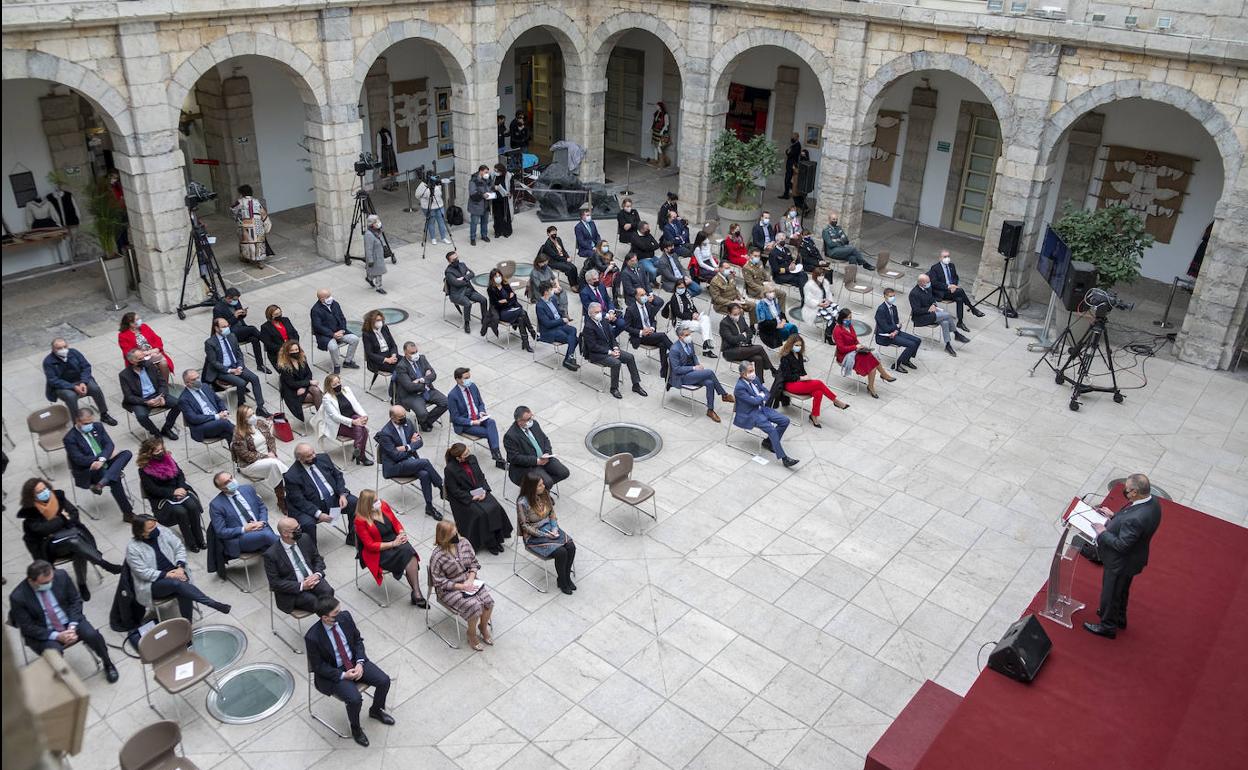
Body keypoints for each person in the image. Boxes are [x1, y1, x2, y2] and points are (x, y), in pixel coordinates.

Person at [304, 595, 394, 747]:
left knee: (384, 681)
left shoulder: (345, 617)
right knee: (354, 699)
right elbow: (318, 666)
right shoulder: (312, 637)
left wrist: (359, 662)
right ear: (325, 618)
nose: (340, 613)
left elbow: (358, 640)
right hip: (335, 671)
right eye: (335, 613)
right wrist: (343, 675)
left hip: (354, 661)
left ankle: (376, 710)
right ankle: (356, 728)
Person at [10, 561, 119, 683]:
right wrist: (57, 636)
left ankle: (108, 663)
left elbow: (75, 600)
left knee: (93, 635)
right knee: (54, 653)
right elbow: (28, 627)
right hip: (44, 631)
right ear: (31, 581)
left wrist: (72, 626)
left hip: (69, 621)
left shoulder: (60, 576)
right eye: (45, 583)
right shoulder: (18, 597)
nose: (50, 584)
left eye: (51, 579)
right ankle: (61, 678)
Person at [1084, 474, 1163, 639]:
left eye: (1127, 488)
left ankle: (1107, 626)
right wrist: (1113, 517)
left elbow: (1121, 545)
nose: (1124, 491)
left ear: (1134, 492)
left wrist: (1103, 532)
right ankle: (1119, 617)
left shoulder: (1137, 519)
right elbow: (1130, 524)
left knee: (1110, 593)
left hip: (1120, 563)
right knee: (1121, 591)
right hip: (1133, 560)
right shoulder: (1153, 503)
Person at [18, 478, 123, 599]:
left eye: (45, 489)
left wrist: (55, 524)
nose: (44, 492)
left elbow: (73, 513)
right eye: (39, 492)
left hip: (72, 536)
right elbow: (42, 530)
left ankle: (82, 583)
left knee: (77, 548)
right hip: (52, 546)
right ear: (32, 496)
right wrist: (63, 519)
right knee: (75, 541)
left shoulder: (58, 497)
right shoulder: (30, 514)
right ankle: (103, 564)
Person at [126, 514, 232, 621]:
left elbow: (179, 548)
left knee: (182, 588)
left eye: (155, 525)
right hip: (153, 583)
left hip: (176, 572)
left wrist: (180, 567)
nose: (156, 528)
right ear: (141, 532)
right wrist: (168, 575)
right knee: (178, 583)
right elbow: (143, 573)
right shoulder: (133, 548)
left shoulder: (163, 532)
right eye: (151, 528)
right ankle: (211, 603)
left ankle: (187, 623)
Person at [354, 489, 427, 608]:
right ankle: (417, 593)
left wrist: (401, 533)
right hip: (378, 551)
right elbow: (370, 545)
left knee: (410, 553)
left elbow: (395, 522)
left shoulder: (383, 506)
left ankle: (416, 592)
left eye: (378, 499)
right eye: (375, 501)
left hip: (394, 539)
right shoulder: (360, 521)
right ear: (367, 505)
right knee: (407, 553)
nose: (379, 502)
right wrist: (393, 544)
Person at [429, 520, 495, 650]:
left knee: (488, 602)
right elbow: (438, 581)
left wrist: (470, 579)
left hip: (469, 580)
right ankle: (471, 634)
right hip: (449, 590)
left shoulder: (464, 543)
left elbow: (474, 563)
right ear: (444, 537)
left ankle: (482, 627)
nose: (456, 536)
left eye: (456, 532)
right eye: (453, 534)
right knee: (475, 606)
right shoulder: (437, 556)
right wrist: (461, 587)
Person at [64, 407, 136, 521]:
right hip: (89, 469)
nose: (90, 425)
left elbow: (109, 445)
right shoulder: (70, 438)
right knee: (115, 479)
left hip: (103, 461)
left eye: (91, 421)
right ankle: (128, 514)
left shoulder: (97, 426)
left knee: (127, 453)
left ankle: (102, 483)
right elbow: (79, 459)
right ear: (77, 421)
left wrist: (102, 459)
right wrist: (99, 459)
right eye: (86, 423)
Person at [136, 437, 206, 552]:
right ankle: (191, 542)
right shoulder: (144, 469)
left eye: (161, 449)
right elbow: (152, 489)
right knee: (181, 512)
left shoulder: (168, 458)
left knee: (192, 506)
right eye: (157, 451)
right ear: (149, 453)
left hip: (179, 490)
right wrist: (172, 492)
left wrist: (181, 487)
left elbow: (180, 475)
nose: (161, 453)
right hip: (162, 498)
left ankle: (200, 539)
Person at [376, 405, 444, 520]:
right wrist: (411, 446)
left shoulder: (407, 422)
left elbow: (420, 442)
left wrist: (406, 447)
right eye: (400, 417)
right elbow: (396, 456)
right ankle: (441, 486)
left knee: (425, 474)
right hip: (394, 466)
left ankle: (429, 506)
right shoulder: (385, 433)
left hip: (408, 461)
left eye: (404, 415)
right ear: (392, 417)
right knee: (425, 462)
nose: (404, 418)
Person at [443, 443, 512, 555]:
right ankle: (490, 542)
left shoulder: (472, 459)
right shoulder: (450, 469)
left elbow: (480, 476)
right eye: (465, 454)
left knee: (495, 507)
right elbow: (454, 491)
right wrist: (471, 497)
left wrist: (484, 490)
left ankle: (497, 537)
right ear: (458, 458)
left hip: (479, 491)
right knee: (481, 514)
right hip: (464, 498)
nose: (469, 454)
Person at [516, 473, 578, 594]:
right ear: (532, 487)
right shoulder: (522, 502)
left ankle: (564, 577)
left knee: (571, 546)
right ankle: (563, 581)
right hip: (534, 535)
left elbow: (552, 513)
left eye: (542, 483)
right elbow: (525, 526)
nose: (543, 486)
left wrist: (555, 528)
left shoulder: (544, 494)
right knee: (561, 552)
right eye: (540, 485)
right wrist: (544, 535)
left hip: (550, 528)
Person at [284, 443, 357, 544]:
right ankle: (313, 555)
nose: (314, 456)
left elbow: (338, 475)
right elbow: (299, 500)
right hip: (312, 505)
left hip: (334, 498)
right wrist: (318, 514)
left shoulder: (323, 458)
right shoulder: (291, 476)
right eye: (309, 456)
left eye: (313, 452)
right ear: (299, 459)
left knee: (355, 503)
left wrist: (342, 494)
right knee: (307, 524)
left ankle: (353, 538)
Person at [772, 334, 849, 427]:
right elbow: (786, 376)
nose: (798, 347)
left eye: (800, 345)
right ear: (791, 345)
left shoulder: (799, 355)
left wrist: (806, 376)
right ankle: (836, 401)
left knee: (818, 392)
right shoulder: (785, 357)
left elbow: (802, 370)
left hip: (800, 383)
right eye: (796, 345)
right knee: (819, 383)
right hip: (790, 384)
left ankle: (814, 416)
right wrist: (801, 378)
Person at [732, 362, 799, 468]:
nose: (753, 373)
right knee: (771, 429)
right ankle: (784, 458)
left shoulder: (755, 379)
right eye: (750, 371)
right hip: (751, 414)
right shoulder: (740, 388)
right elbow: (753, 402)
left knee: (785, 421)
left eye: (752, 370)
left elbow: (767, 392)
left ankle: (769, 442)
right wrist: (760, 397)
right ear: (743, 374)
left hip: (763, 409)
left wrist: (760, 397)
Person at [264, 516, 334, 613]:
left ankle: (330, 621)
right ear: (285, 533)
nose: (299, 530)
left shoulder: (305, 538)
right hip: (293, 589)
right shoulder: (271, 555)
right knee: (314, 602)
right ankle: (331, 622)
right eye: (295, 529)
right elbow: (275, 583)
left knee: (328, 591)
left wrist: (317, 574)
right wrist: (301, 585)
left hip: (313, 579)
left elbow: (317, 558)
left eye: (299, 527)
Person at [205, 315, 271, 417]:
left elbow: (239, 353)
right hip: (223, 371)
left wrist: (240, 366)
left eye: (227, 326)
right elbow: (214, 362)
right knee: (241, 383)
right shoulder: (210, 343)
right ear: (216, 328)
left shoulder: (232, 336)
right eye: (223, 326)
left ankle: (260, 407)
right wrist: (231, 370)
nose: (227, 328)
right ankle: (241, 405)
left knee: (255, 378)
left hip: (237, 365)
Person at [668, 323, 735, 422]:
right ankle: (724, 395)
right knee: (710, 372)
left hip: (693, 373)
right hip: (682, 377)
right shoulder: (674, 349)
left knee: (710, 382)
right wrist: (695, 368)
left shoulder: (690, 343)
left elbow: (693, 356)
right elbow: (677, 369)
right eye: (686, 335)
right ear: (680, 336)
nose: (689, 336)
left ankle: (710, 410)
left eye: (689, 334)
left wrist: (698, 366)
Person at [209, 470, 279, 560]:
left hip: (260, 526)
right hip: (241, 538)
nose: (231, 482)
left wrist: (262, 522)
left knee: (273, 550)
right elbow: (221, 531)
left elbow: (261, 507)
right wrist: (244, 529)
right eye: (227, 482)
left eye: (231, 478)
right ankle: (292, 546)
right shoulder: (216, 505)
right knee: (267, 536)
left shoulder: (248, 489)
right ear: (221, 488)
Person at [43, 339, 116, 426]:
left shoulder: (74, 353)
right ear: (53, 349)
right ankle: (77, 422)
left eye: (65, 347)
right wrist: (73, 387)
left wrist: (83, 382)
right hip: (63, 386)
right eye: (59, 348)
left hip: (80, 380)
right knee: (71, 396)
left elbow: (86, 367)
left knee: (95, 389)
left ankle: (104, 414)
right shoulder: (48, 362)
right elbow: (53, 380)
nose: (63, 349)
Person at [583, 302, 647, 400]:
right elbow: (593, 347)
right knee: (616, 363)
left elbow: (611, 336)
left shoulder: (603, 321)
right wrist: (610, 352)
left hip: (610, 349)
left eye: (600, 311)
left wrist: (615, 347)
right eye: (596, 312)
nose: (599, 314)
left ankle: (636, 385)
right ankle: (614, 388)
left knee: (630, 357)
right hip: (597, 354)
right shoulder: (588, 327)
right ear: (590, 313)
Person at [448, 367, 506, 468]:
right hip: (466, 423)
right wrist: (472, 422)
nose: (468, 380)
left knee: (491, 422)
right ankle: (498, 458)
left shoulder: (473, 386)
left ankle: (497, 455)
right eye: (465, 378)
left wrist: (482, 412)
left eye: (469, 377)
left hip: (479, 417)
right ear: (457, 379)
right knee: (490, 433)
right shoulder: (452, 395)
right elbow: (455, 418)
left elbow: (480, 403)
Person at [118, 349, 182, 440]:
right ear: (132, 361)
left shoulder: (149, 365)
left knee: (179, 404)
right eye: (140, 359)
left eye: (143, 357)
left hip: (157, 394)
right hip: (141, 400)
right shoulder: (124, 375)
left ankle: (167, 429)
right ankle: (155, 432)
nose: (143, 360)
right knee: (141, 416)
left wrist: (162, 396)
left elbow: (162, 382)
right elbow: (129, 397)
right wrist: (146, 402)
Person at [832, 308, 896, 398]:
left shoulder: (849, 326)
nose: (850, 320)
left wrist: (859, 345)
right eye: (848, 318)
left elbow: (855, 339)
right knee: (872, 361)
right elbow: (841, 348)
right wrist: (855, 347)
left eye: (851, 317)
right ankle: (878, 380)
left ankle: (874, 383)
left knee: (871, 357)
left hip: (855, 350)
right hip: (844, 355)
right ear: (842, 318)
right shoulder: (837, 331)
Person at [230, 403, 289, 499]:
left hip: (269, 458)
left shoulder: (260, 423)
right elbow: (246, 455)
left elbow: (270, 439)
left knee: (274, 466)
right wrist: (266, 456)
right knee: (274, 464)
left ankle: (281, 499)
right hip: (250, 464)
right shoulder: (238, 434)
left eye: (253, 413)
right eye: (250, 416)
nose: (254, 417)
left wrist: (272, 452)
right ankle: (289, 485)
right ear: (243, 419)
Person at [504, 406, 570, 489]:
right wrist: (536, 461)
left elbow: (545, 439)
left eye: (531, 416)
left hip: (545, 459)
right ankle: (539, 492)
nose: (531, 420)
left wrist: (547, 452)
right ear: (519, 421)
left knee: (564, 472)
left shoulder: (534, 424)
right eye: (528, 419)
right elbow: (514, 458)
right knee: (547, 482)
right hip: (528, 466)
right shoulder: (510, 436)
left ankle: (539, 491)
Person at [391, 341, 449, 431]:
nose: (415, 354)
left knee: (446, 402)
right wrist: (426, 378)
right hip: (411, 395)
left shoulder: (422, 358)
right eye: (412, 353)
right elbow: (409, 387)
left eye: (416, 351)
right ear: (405, 353)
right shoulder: (401, 366)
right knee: (422, 413)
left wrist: (420, 380)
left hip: (427, 390)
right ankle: (424, 420)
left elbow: (433, 375)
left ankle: (425, 421)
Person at [213, 286, 271, 373]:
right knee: (252, 329)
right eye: (235, 299)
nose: (236, 301)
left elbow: (240, 317)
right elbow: (221, 326)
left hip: (241, 328)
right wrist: (234, 316)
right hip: (231, 332)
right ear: (228, 298)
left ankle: (260, 365)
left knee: (255, 339)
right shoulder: (218, 308)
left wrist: (243, 314)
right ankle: (269, 344)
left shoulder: (236, 302)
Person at [319, 372, 372, 466]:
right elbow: (335, 416)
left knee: (359, 424)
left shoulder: (346, 390)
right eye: (334, 384)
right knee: (364, 431)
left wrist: (364, 415)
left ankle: (358, 449)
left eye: (338, 382)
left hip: (352, 417)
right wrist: (352, 422)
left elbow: (356, 404)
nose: (338, 385)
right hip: (339, 424)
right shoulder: (327, 398)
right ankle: (361, 455)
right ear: (329, 386)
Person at [910, 274, 969, 356]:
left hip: (932, 313)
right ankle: (956, 334)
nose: (929, 283)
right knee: (947, 315)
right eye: (927, 282)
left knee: (945, 322)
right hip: (921, 317)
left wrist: (934, 305)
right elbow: (916, 310)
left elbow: (932, 299)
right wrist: (928, 309)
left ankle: (948, 345)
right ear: (921, 283)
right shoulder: (914, 293)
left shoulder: (928, 288)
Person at [720, 302, 776, 384]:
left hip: (743, 347)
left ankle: (758, 383)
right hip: (730, 351)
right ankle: (772, 369)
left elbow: (749, 332)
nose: (737, 316)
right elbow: (731, 339)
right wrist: (743, 336)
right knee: (759, 348)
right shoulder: (724, 324)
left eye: (738, 313)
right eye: (735, 314)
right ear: (729, 313)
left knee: (758, 359)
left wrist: (744, 338)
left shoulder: (741, 318)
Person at [929, 249, 985, 329]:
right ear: (940, 258)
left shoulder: (952, 266)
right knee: (961, 291)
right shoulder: (935, 268)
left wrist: (953, 286)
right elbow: (934, 283)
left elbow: (956, 277)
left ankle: (960, 322)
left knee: (959, 298)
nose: (947, 258)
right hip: (942, 292)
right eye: (945, 257)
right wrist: (948, 287)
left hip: (953, 290)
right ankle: (972, 308)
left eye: (948, 256)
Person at [624, 286, 672, 379]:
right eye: (642, 295)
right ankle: (676, 351)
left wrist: (652, 328)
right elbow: (626, 327)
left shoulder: (647, 305)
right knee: (662, 336)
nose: (645, 296)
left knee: (662, 344)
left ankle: (664, 371)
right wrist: (641, 332)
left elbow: (653, 320)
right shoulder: (630, 310)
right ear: (636, 297)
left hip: (651, 333)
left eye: (645, 294)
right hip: (640, 336)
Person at [662, 277, 717, 358]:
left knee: (706, 319)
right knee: (703, 326)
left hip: (691, 318)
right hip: (681, 322)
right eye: (679, 288)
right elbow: (678, 314)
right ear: (676, 288)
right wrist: (691, 316)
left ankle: (706, 342)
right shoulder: (674, 298)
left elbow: (692, 306)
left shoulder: (687, 294)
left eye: (683, 287)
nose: (681, 289)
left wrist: (695, 313)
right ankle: (707, 348)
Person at [311, 289, 361, 373]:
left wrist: (342, 330)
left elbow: (342, 318)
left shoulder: (335, 303)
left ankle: (348, 361)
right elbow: (318, 326)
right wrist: (332, 334)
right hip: (325, 335)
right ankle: (336, 365)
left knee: (355, 339)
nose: (330, 298)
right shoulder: (315, 310)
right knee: (333, 347)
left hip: (340, 331)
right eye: (328, 297)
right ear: (321, 299)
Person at [534, 282, 581, 372]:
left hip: (559, 325)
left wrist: (564, 318)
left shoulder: (553, 299)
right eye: (551, 290)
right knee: (574, 339)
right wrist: (561, 320)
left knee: (573, 330)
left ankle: (568, 359)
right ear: (546, 292)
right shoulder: (540, 306)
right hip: (548, 331)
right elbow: (547, 324)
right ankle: (568, 359)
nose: (553, 291)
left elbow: (559, 312)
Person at [177, 368, 234, 441]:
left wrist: (224, 411)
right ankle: (245, 436)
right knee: (226, 424)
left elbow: (218, 401)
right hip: (202, 426)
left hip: (219, 420)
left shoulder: (205, 386)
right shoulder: (183, 399)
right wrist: (217, 416)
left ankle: (239, 451)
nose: (197, 380)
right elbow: (194, 419)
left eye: (198, 377)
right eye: (194, 380)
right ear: (187, 383)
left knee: (229, 434)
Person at [486, 267, 535, 351]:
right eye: (496, 276)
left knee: (521, 317)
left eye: (499, 276)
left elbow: (514, 298)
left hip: (511, 309)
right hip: (502, 313)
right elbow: (497, 304)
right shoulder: (491, 289)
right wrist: (509, 299)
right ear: (492, 278)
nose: (498, 278)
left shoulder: (505, 285)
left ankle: (526, 343)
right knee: (522, 312)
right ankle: (532, 333)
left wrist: (506, 301)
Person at [875, 288, 922, 373]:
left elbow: (897, 323)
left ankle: (906, 359)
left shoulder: (894, 307)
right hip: (885, 336)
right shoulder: (881, 310)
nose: (892, 298)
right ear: (885, 296)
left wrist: (896, 330)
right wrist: (896, 327)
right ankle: (897, 365)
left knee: (917, 340)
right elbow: (885, 328)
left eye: (893, 296)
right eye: (890, 296)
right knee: (911, 344)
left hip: (895, 333)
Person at [276, 340, 323, 422]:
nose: (295, 352)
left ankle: (322, 418)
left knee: (316, 391)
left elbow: (309, 374)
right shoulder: (283, 366)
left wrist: (304, 387)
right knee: (318, 396)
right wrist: (308, 383)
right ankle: (323, 420)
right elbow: (291, 383)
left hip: (303, 388)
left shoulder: (302, 358)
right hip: (292, 393)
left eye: (296, 349)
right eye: (292, 350)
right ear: (287, 352)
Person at [444, 250, 488, 336]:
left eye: (457, 258)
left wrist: (463, 278)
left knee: (483, 300)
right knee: (467, 304)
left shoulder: (462, 265)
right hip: (457, 294)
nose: (456, 260)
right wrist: (466, 279)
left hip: (468, 290)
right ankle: (467, 323)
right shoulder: (449, 272)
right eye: (454, 259)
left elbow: (472, 274)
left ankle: (484, 319)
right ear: (449, 261)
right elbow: (456, 283)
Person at [117, 311, 174, 377]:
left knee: (164, 364)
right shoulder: (123, 336)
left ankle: (164, 385)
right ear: (131, 323)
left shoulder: (144, 326)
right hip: (140, 359)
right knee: (153, 367)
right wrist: (145, 354)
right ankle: (154, 385)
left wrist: (157, 349)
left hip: (154, 353)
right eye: (137, 319)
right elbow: (128, 352)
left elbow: (156, 338)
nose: (140, 320)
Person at [231, 184, 270, 265]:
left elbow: (233, 211)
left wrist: (238, 219)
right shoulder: (257, 201)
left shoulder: (239, 202)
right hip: (258, 224)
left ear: (241, 193)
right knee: (259, 241)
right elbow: (263, 213)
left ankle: (245, 257)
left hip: (245, 225)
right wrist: (266, 224)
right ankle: (260, 260)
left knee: (245, 242)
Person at [362, 308, 400, 384]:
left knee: (406, 363)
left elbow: (393, 345)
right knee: (400, 369)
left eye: (381, 320)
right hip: (378, 360)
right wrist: (387, 360)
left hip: (390, 355)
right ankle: (396, 390)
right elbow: (370, 354)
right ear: (371, 322)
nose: (380, 322)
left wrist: (393, 355)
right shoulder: (367, 334)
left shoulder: (384, 328)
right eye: (377, 320)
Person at [259, 303, 301, 369]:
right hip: (278, 352)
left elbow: (295, 333)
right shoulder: (265, 327)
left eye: (280, 313)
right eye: (276, 314)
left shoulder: (286, 320)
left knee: (301, 366)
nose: (279, 315)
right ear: (270, 316)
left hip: (292, 348)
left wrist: (294, 344)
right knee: (288, 369)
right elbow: (268, 344)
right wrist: (284, 348)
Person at [415, 173, 450, 244]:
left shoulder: (436, 183)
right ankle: (433, 238)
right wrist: (426, 195)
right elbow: (417, 195)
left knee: (441, 222)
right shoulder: (422, 185)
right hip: (428, 207)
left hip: (439, 205)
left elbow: (439, 193)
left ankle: (443, 237)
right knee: (431, 222)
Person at [467, 164, 492, 246]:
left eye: (487, 172)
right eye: (485, 172)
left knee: (485, 222)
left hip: (486, 204)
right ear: (481, 171)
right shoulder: (473, 180)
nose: (487, 174)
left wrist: (491, 192)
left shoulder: (487, 178)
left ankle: (484, 235)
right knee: (474, 223)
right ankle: (472, 238)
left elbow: (490, 187)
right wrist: (482, 195)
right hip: (476, 205)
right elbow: (472, 193)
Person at [363, 214, 388, 294]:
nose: (378, 222)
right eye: (376, 221)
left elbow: (381, 239)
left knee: (376, 271)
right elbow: (368, 249)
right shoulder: (368, 235)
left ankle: (369, 278)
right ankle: (379, 287)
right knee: (379, 272)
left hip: (379, 255)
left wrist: (384, 246)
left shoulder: (377, 231)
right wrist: (370, 260)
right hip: (374, 257)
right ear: (371, 224)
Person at [490, 162, 513, 239]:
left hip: (504, 199)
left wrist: (510, 193)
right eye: (495, 170)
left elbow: (512, 187)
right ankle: (498, 231)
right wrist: (494, 187)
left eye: (497, 171)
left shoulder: (509, 176)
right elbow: (490, 185)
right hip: (495, 199)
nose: (495, 172)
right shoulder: (493, 176)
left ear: (501, 171)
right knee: (497, 216)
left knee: (505, 216)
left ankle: (506, 231)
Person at [650, 101, 671, 167]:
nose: (656, 107)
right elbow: (654, 122)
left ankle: (662, 162)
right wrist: (650, 128)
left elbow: (667, 124)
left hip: (661, 132)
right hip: (655, 131)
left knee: (659, 146)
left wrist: (662, 130)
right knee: (655, 146)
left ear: (660, 106)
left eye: (657, 106)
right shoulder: (656, 113)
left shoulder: (665, 114)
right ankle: (656, 160)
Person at [781, 132, 801, 199]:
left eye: (794, 136)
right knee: (787, 179)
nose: (792, 138)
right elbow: (787, 151)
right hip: (789, 164)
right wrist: (788, 152)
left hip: (792, 165)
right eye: (792, 136)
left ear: (797, 137)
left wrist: (788, 152)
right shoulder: (793, 144)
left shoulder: (797, 145)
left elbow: (790, 154)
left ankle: (789, 194)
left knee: (788, 179)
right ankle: (786, 193)